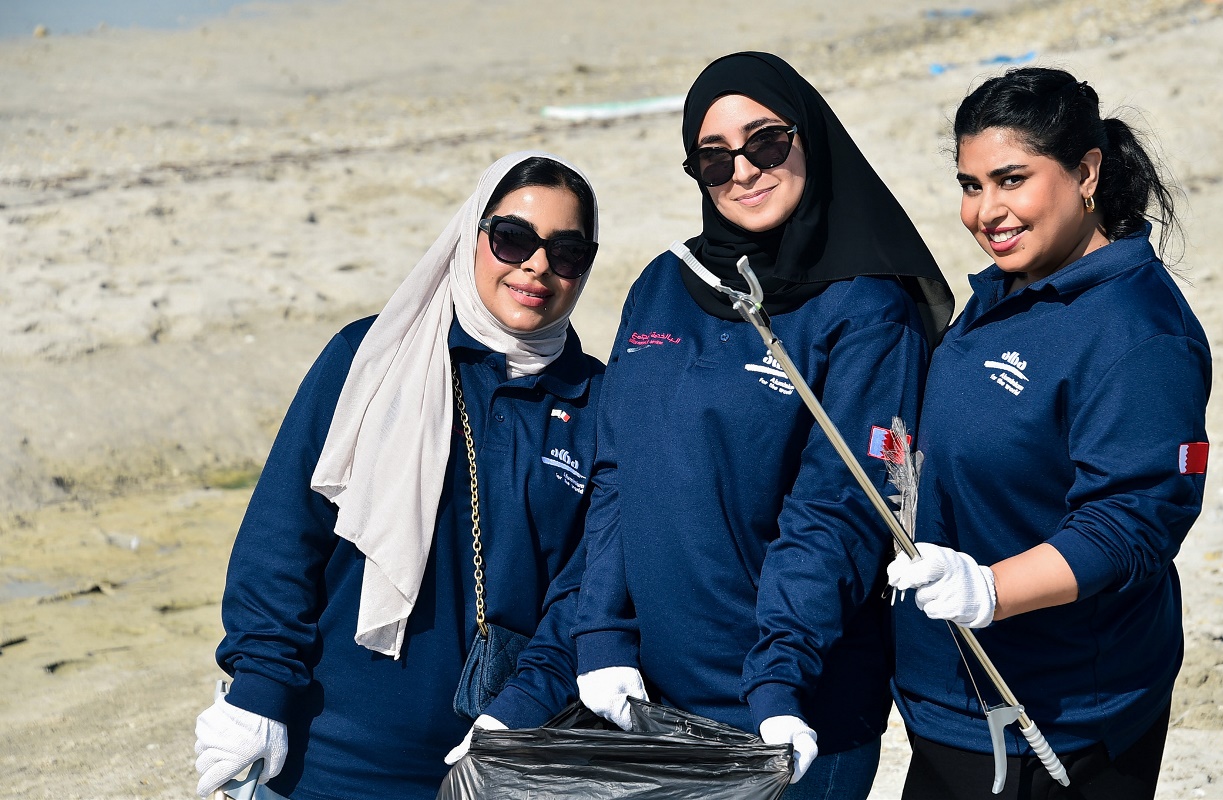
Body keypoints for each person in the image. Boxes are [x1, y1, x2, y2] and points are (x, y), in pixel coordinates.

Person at [571, 51, 954, 799]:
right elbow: (617, 476)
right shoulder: (663, 283)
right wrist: (601, 635)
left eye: (767, 142)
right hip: (652, 704)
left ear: (808, 135)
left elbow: (841, 508)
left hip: (792, 710)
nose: (743, 170)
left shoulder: (868, 308)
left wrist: (777, 680)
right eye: (714, 160)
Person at [193, 151, 605, 799]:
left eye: (567, 251)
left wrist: (523, 712)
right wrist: (259, 692)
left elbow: (585, 590)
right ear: (472, 235)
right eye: (512, 239)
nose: (536, 266)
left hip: (498, 757)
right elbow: (285, 534)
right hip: (331, 756)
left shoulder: (596, 403)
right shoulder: (371, 356)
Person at [887, 67, 1211, 799]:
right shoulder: (1007, 286)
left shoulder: (1139, 332)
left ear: (1086, 172)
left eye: (1011, 180)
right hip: (950, 700)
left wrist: (990, 589)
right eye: (971, 185)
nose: (986, 212)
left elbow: (1133, 524)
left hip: (1060, 720)